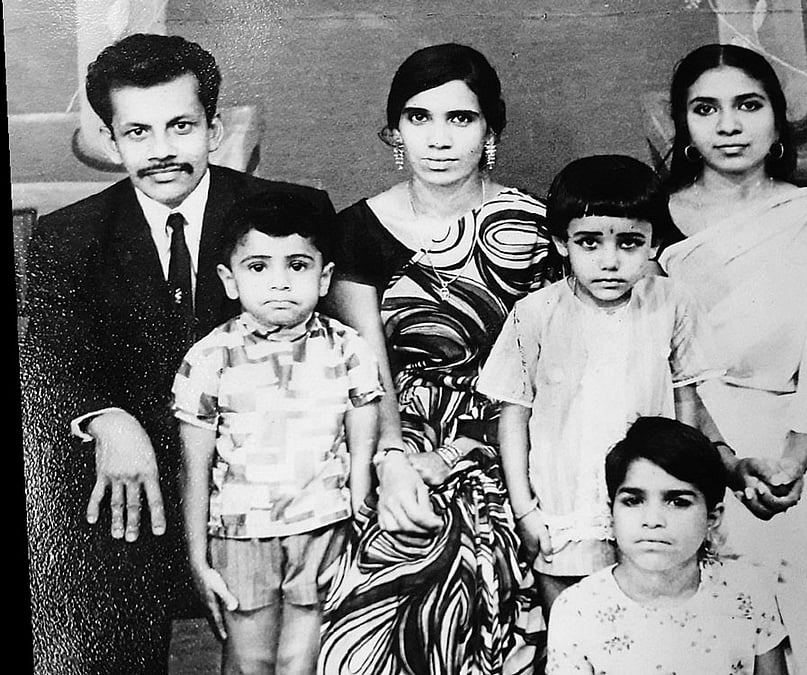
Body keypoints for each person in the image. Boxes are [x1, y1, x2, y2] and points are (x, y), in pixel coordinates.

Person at [20, 33, 337, 674]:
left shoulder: (288, 214)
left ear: (214, 129)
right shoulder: (68, 236)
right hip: (132, 489)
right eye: (137, 132)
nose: (161, 151)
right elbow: (51, 356)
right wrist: (105, 415)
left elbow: (325, 354)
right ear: (111, 140)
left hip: (267, 478)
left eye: (181, 126)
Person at [317, 43, 560, 674]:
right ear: (395, 131)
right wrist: (394, 460)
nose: (440, 139)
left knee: (486, 567)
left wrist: (467, 456)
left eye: (461, 118)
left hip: (516, 437)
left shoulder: (539, 225)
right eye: (419, 118)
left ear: (491, 131)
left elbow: (548, 370)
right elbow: (370, 370)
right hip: (396, 434)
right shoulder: (357, 229)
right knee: (378, 581)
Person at [658, 43, 807, 674]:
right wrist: (721, 457)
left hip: (806, 438)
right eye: (706, 109)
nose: (728, 125)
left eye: (748, 105)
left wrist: (789, 463)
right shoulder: (644, 224)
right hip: (684, 430)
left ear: (777, 118)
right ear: (683, 125)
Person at [476, 154, 728, 616]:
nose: (609, 262)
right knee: (574, 628)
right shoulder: (535, 313)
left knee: (655, 620)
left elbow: (685, 398)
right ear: (560, 242)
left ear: (654, 243)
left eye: (630, 242)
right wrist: (525, 509)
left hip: (650, 498)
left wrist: (691, 487)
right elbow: (513, 415)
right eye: (589, 242)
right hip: (566, 498)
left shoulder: (670, 302)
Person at [172, 191, 382, 674]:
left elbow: (362, 427)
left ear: (324, 276)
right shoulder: (211, 357)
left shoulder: (348, 348)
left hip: (322, 526)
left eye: (299, 265)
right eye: (259, 267)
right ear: (229, 279)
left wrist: (359, 501)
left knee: (301, 658)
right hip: (242, 533)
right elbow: (194, 466)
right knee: (250, 658)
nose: (281, 284)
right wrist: (198, 559)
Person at [546, 416, 790, 674]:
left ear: (712, 518)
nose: (653, 520)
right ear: (611, 513)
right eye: (633, 501)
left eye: (677, 501)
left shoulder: (748, 594)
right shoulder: (577, 611)